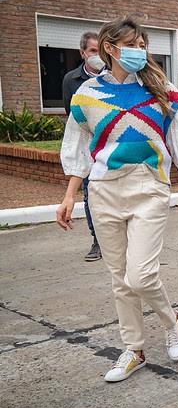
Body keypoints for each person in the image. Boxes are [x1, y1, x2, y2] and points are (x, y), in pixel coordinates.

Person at [56, 15, 178, 382]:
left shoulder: (162, 90)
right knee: (120, 279)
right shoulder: (87, 94)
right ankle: (133, 349)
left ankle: (171, 321)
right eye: (132, 45)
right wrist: (69, 196)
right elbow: (77, 148)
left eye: (142, 45)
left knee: (140, 275)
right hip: (103, 190)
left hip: (149, 185)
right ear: (110, 48)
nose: (140, 51)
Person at [62, 31, 105, 262]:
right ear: (83, 53)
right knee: (90, 196)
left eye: (101, 50)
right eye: (93, 51)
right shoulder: (71, 80)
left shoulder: (112, 77)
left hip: (108, 148)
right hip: (89, 148)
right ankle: (97, 241)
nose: (98, 56)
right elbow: (73, 118)